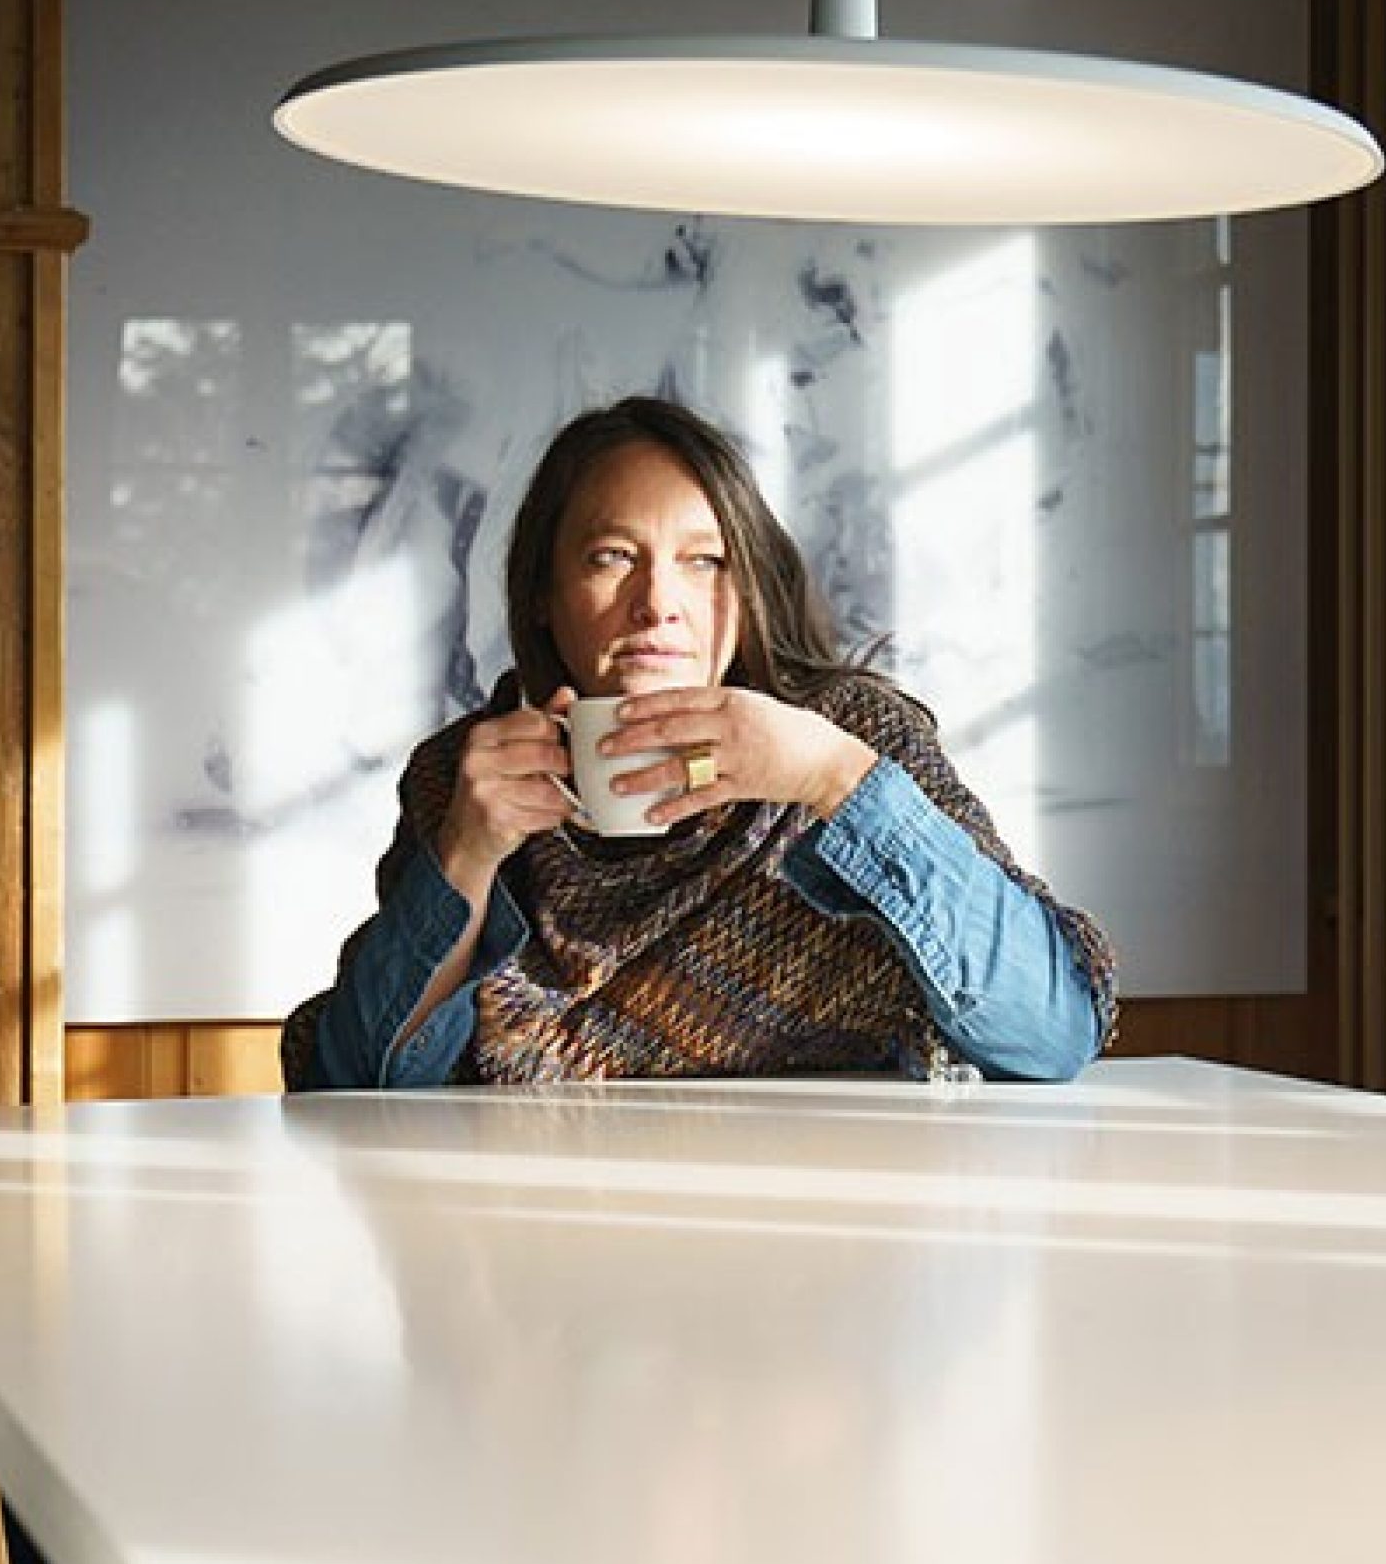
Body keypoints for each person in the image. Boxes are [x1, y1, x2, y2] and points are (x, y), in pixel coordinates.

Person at [282, 397, 1114, 1088]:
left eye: (705, 562)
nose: (657, 605)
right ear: (543, 593)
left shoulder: (852, 740)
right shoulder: (466, 777)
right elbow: (353, 1088)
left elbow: (1054, 1032)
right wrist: (465, 856)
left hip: (834, 1234)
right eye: (613, 557)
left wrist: (835, 779)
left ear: (747, 588)